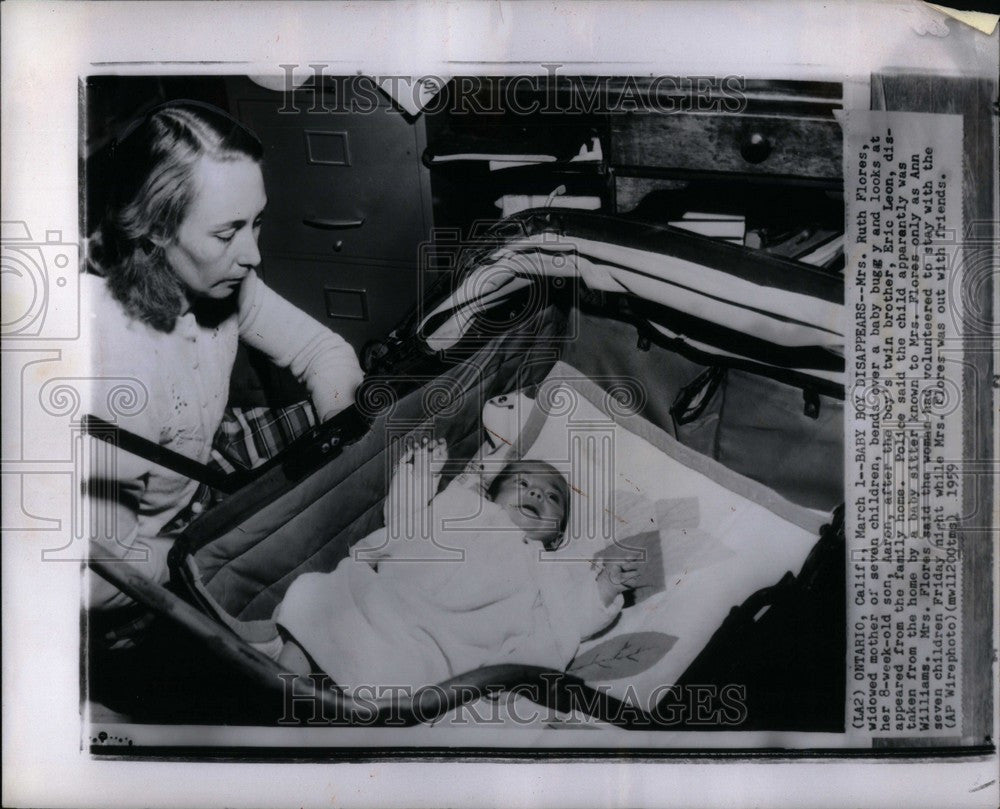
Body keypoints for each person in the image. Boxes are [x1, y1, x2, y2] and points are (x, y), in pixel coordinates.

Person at [84, 101, 364, 622]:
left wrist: (339, 445)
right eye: (227, 232)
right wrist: (220, 550)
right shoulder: (113, 368)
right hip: (146, 589)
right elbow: (96, 581)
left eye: (256, 223)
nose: (253, 254)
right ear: (154, 227)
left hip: (198, 489)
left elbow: (323, 352)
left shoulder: (217, 277)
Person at [274, 439, 639, 690]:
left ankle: (317, 698)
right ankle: (282, 677)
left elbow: (570, 618)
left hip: (440, 645)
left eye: (552, 497)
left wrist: (606, 586)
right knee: (323, 599)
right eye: (522, 482)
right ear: (493, 494)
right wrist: (420, 476)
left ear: (557, 534)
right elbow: (405, 523)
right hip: (384, 598)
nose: (536, 493)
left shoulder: (547, 567)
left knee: (399, 674)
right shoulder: (461, 506)